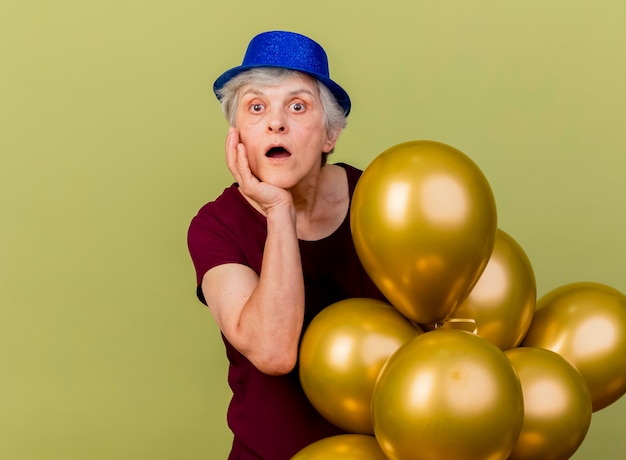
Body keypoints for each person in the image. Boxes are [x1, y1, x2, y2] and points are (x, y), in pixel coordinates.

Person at [187, 30, 386, 459]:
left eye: (297, 106)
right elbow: (274, 352)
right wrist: (279, 211)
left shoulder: (382, 202)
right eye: (256, 108)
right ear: (237, 134)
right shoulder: (214, 226)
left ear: (329, 135)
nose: (276, 123)